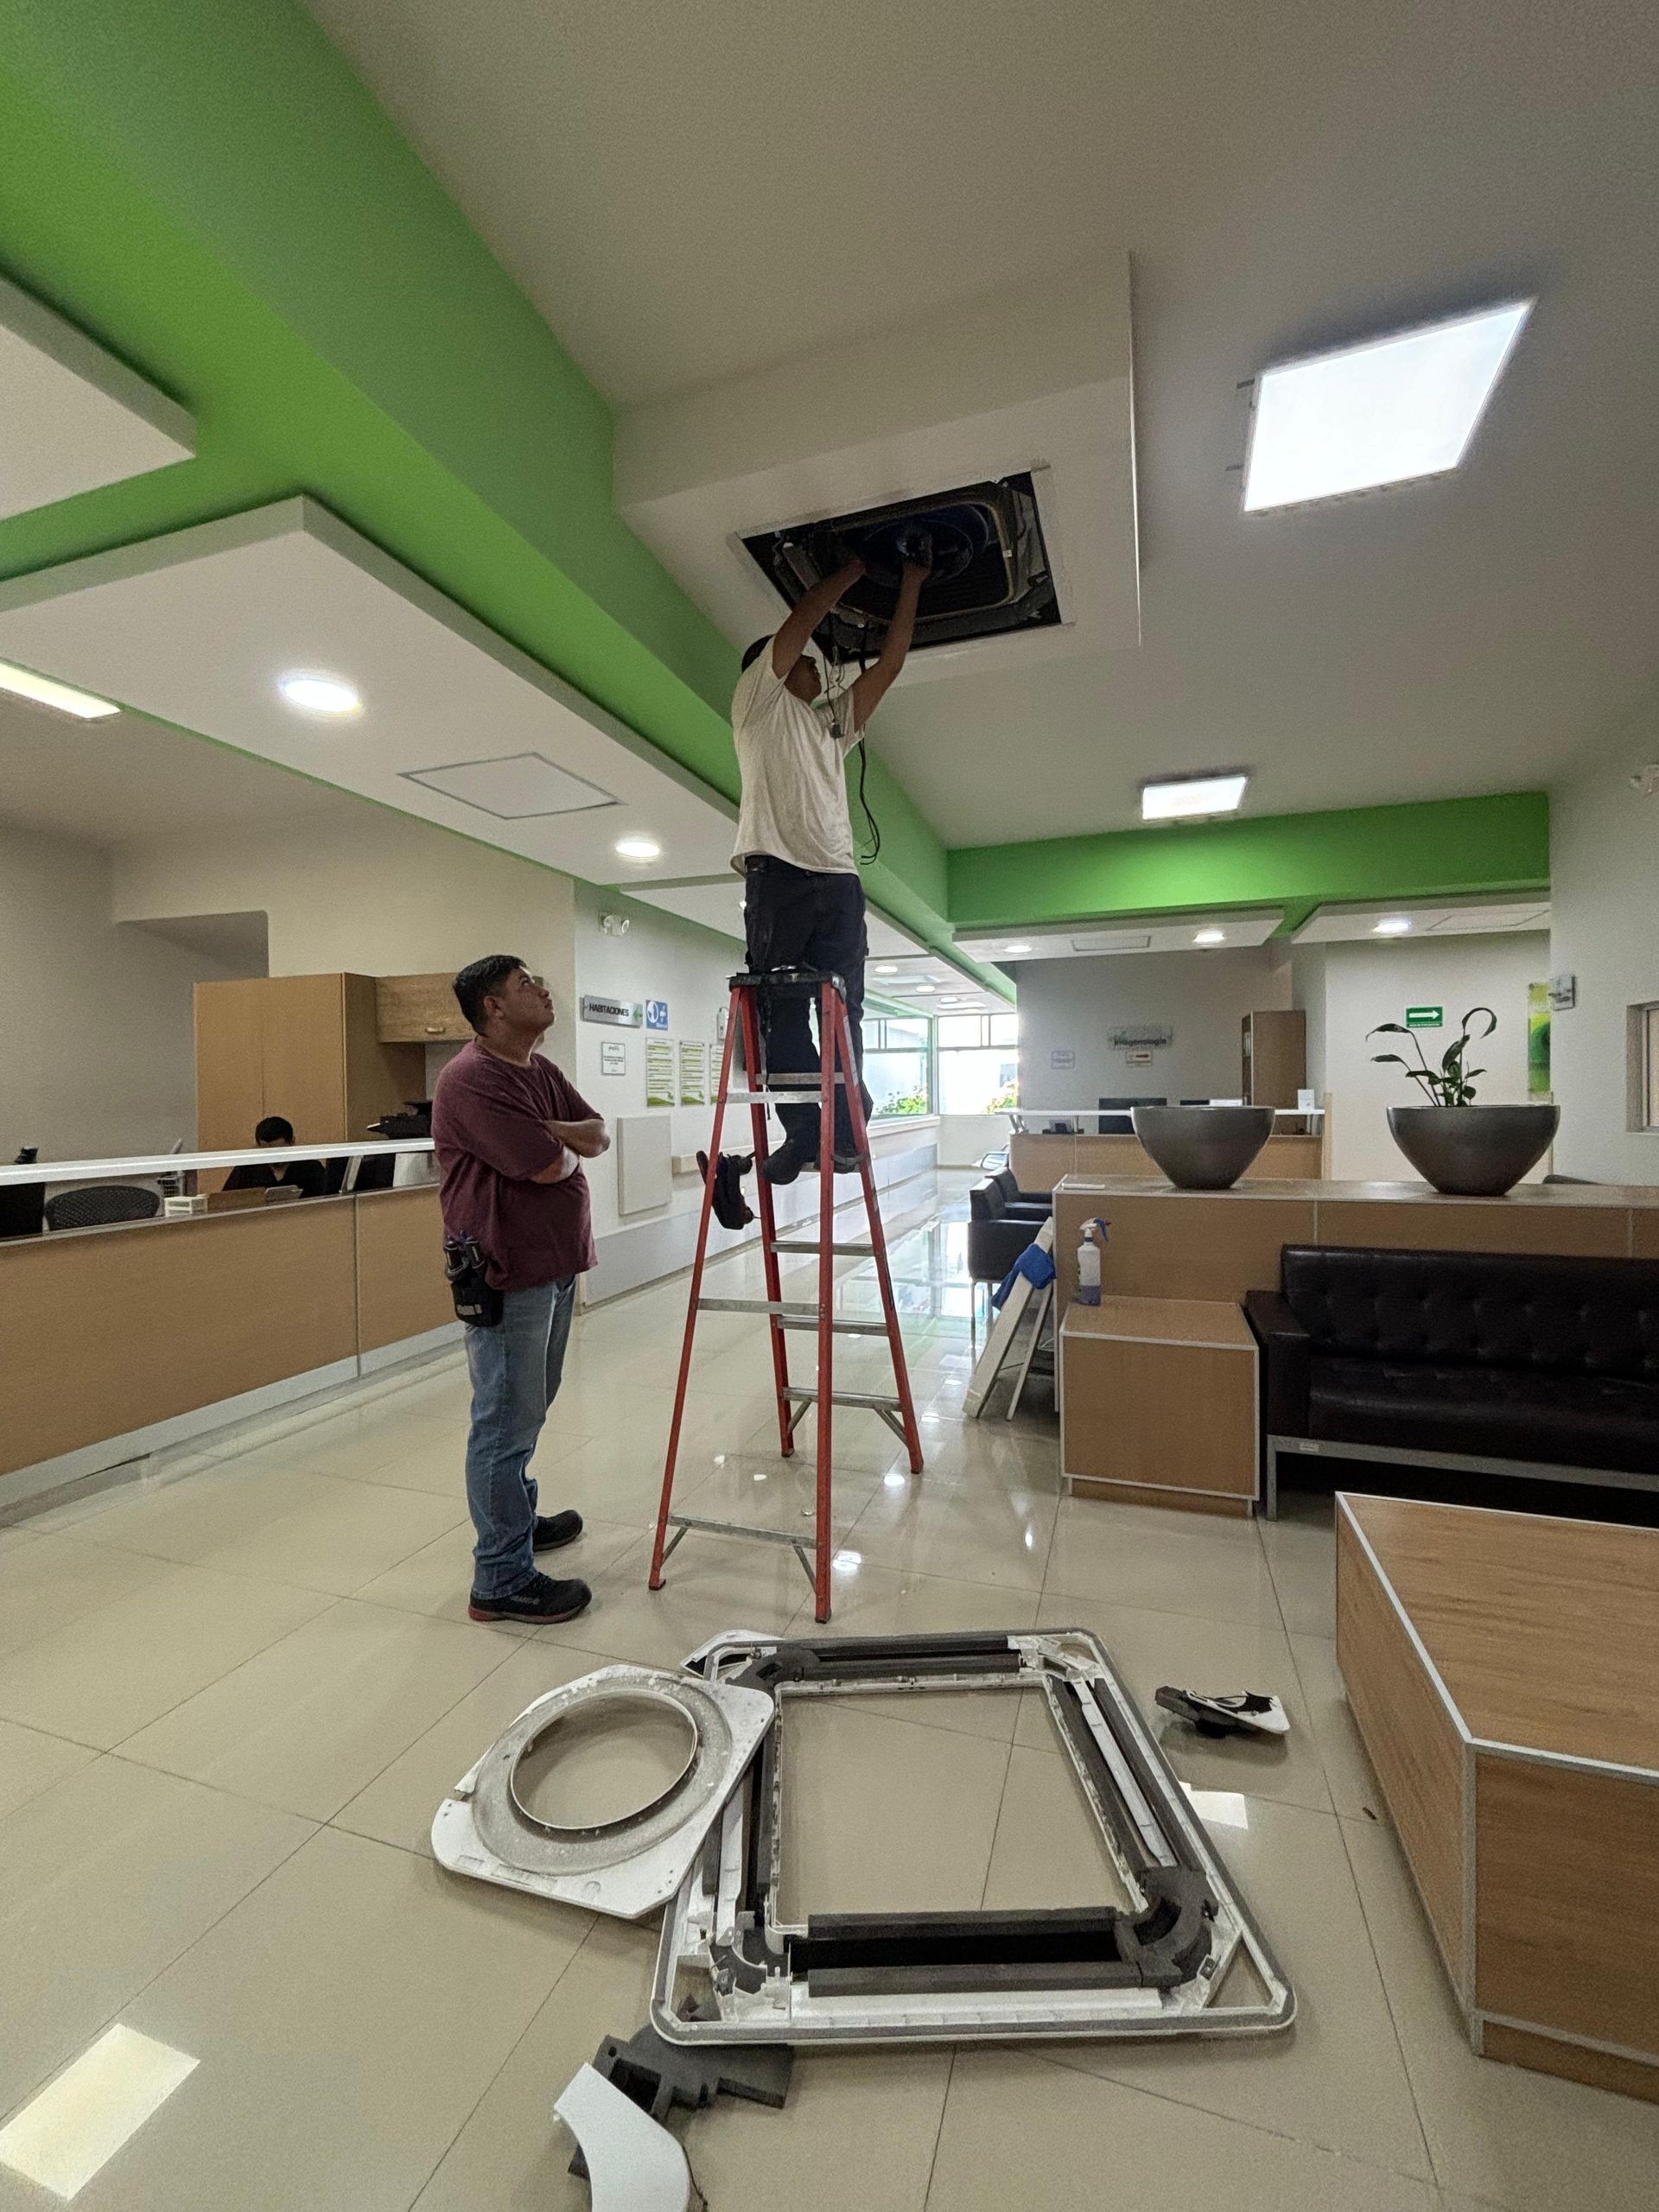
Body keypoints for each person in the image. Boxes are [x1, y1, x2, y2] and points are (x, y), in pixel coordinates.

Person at [731, 542, 930, 1183]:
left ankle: (842, 1134)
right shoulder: (757, 704)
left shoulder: (830, 727)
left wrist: (913, 582)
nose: (819, 671)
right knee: (783, 1008)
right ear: (773, 669)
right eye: (808, 663)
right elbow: (800, 623)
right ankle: (801, 1133)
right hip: (779, 876)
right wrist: (852, 568)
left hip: (839, 883)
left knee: (846, 1011)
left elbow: (890, 665)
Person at [431, 956, 609, 1624]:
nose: (543, 989)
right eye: (525, 984)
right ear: (494, 1007)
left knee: (528, 1408)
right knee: (504, 1419)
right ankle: (501, 1577)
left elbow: (597, 1136)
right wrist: (559, 1139)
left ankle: (516, 1520)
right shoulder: (472, 1078)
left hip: (553, 1266)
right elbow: (548, 1166)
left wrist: (554, 1131)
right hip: (506, 1269)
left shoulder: (539, 1071)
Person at [222, 1115, 327, 1198]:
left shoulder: (311, 1168)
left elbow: (327, 1200)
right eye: (267, 1151)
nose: (273, 1157)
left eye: (279, 1150)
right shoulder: (246, 1170)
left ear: (292, 1143)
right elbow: (225, 1202)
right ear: (258, 1146)